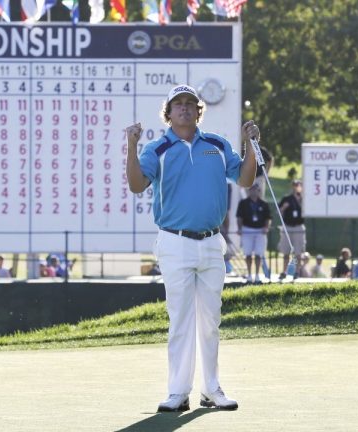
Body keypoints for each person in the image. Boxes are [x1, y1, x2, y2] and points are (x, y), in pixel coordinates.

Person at [126, 84, 257, 412]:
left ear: (199, 111)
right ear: (168, 113)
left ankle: (211, 389)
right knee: (180, 319)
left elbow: (244, 179)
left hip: (212, 242)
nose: (184, 108)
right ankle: (178, 392)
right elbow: (137, 184)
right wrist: (131, 145)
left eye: (190, 104)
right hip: (174, 241)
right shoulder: (157, 149)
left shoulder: (216, 144)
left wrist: (251, 146)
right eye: (177, 104)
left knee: (211, 320)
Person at [235, 184, 271, 283]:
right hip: (247, 230)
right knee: (248, 254)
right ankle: (250, 274)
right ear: (249, 191)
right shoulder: (243, 203)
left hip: (260, 231)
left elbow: (268, 218)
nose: (253, 192)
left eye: (255, 190)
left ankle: (257, 275)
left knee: (259, 254)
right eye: (251, 190)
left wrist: (266, 227)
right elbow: (239, 217)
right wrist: (239, 228)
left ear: (259, 191)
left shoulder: (264, 203)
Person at [278, 179, 306, 278]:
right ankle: (284, 272)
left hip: (298, 227)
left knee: (298, 252)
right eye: (294, 185)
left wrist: (300, 200)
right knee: (286, 252)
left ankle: (297, 272)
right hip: (288, 227)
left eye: (298, 185)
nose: (296, 187)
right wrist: (283, 208)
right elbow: (279, 212)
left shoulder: (303, 198)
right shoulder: (286, 198)